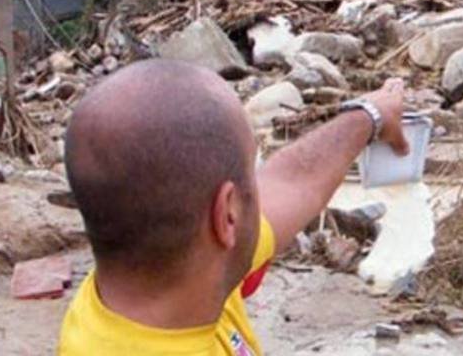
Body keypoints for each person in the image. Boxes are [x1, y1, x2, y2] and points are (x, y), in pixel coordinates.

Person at [58, 59, 409, 355]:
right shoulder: (200, 271)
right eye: (251, 175)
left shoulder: (159, 278)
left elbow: (295, 180)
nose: (259, 187)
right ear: (227, 215)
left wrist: (372, 116)